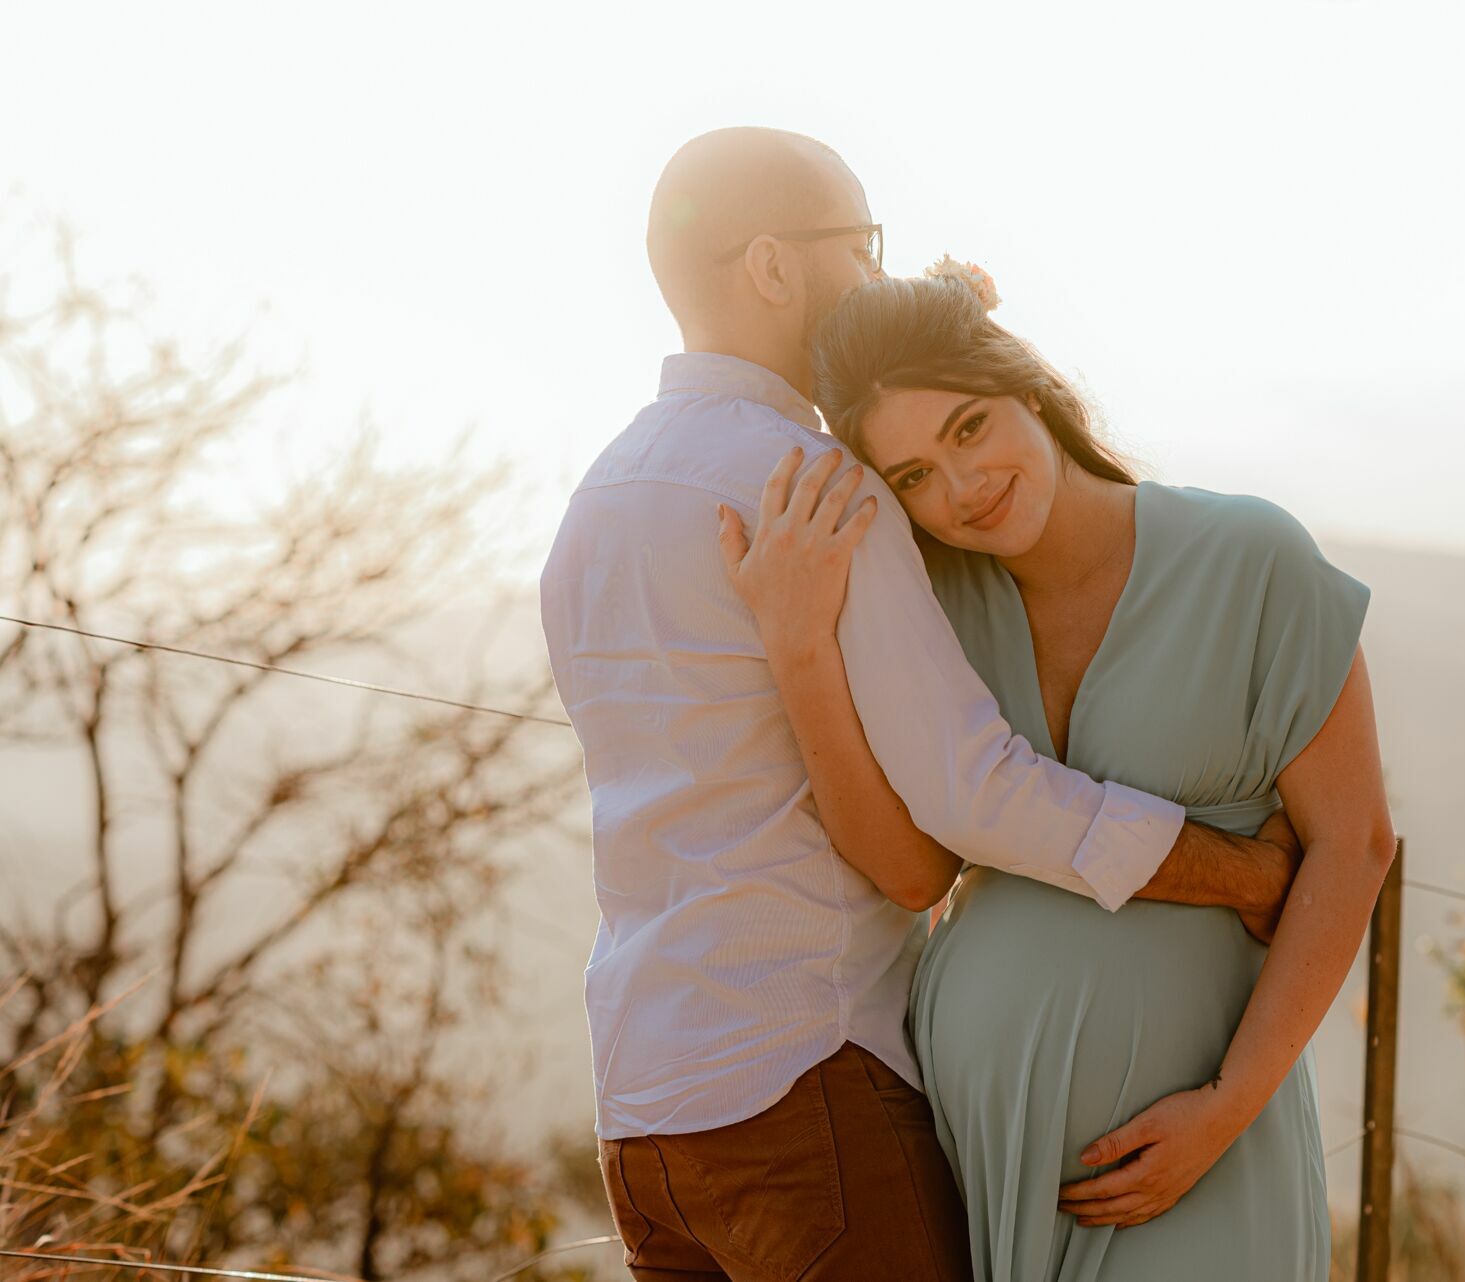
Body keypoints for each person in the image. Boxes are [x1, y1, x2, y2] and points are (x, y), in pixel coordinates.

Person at [539, 127, 1308, 1282]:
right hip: (802, 1091)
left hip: (646, 1118)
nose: (872, 278)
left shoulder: (591, 508)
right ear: (770, 267)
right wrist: (1241, 871)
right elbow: (971, 789)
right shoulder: (811, 491)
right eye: (862, 246)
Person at [716, 266, 1397, 1281]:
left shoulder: (1249, 557)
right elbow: (909, 870)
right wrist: (799, 647)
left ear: (1026, 389)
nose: (960, 489)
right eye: (910, 477)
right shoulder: (933, 605)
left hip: (1198, 1141)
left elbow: (1356, 844)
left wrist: (1227, 1107)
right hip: (987, 1157)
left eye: (969, 428)